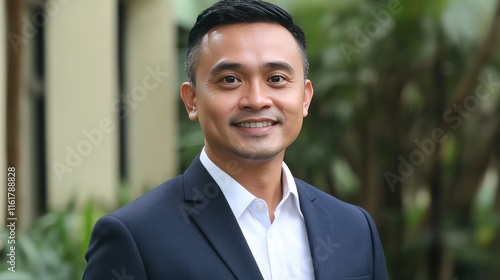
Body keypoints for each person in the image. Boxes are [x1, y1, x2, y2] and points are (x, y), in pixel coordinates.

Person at [83, 0, 388, 279]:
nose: (256, 100)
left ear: (305, 98)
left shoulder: (354, 229)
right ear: (192, 100)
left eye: (276, 79)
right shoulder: (136, 236)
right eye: (230, 80)